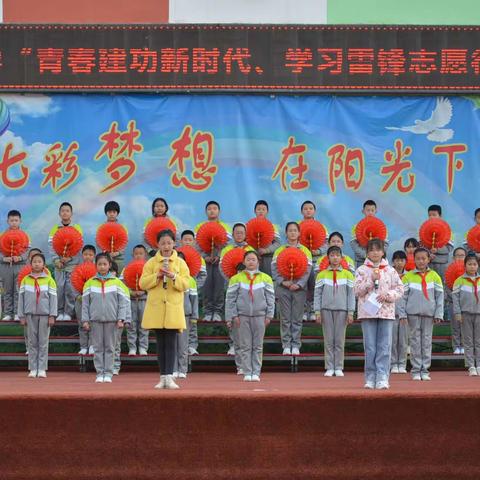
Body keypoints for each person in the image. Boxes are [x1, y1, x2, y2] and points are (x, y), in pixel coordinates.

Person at [139, 229, 190, 389]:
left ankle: (170, 376)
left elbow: (186, 284)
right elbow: (142, 284)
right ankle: (163, 376)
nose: (166, 246)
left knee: (171, 343)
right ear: (157, 245)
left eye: (169, 243)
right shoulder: (151, 263)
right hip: (157, 309)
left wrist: (174, 277)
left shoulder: (180, 263)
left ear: (174, 243)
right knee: (160, 344)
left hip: (173, 309)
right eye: (163, 243)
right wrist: (157, 277)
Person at [354, 238, 403, 389]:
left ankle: (382, 376)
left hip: (386, 312)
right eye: (371, 250)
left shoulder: (391, 270)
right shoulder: (361, 270)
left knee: (384, 345)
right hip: (368, 312)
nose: (375, 253)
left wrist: (388, 295)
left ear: (383, 252)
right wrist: (370, 280)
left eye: (378, 250)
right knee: (370, 346)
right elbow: (357, 291)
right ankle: (370, 377)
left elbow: (400, 289)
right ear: (367, 252)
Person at [225, 251, 275, 382]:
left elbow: (270, 298)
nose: (251, 262)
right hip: (242, 316)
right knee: (245, 345)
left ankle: (256, 372)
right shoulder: (236, 278)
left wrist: (269, 315)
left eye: (253, 259)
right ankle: (247, 371)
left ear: (258, 261)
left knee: (258, 345)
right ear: (244, 262)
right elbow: (230, 299)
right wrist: (233, 315)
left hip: (260, 316)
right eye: (248, 259)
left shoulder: (266, 278)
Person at [82, 253, 129, 383]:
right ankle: (99, 373)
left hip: (112, 321)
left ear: (109, 265)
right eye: (99, 264)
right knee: (97, 348)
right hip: (95, 321)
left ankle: (108, 373)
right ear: (95, 265)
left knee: (110, 348)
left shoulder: (117, 283)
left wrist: (121, 319)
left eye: (105, 264)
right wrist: (85, 320)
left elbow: (122, 303)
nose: (102, 267)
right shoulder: (89, 283)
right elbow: (85, 304)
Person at [398, 247, 444, 381]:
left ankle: (425, 369)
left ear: (428, 259)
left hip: (429, 314)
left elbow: (439, 296)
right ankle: (416, 369)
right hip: (412, 314)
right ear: (414, 260)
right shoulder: (408, 277)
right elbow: (402, 297)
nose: (421, 261)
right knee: (415, 341)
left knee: (426, 341)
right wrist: (402, 314)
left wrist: (438, 313)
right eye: (418, 258)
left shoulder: (435, 276)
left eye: (424, 258)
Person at [272, 222, 312, 355]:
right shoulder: (279, 250)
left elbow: (307, 270)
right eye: (290, 230)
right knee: (285, 318)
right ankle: (286, 344)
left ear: (299, 233)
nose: (293, 233)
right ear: (286, 233)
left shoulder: (305, 250)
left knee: (297, 317)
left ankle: (295, 344)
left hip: (299, 289)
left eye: (295, 230)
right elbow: (274, 268)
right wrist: (282, 282)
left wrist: (299, 284)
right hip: (283, 288)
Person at [314, 245, 355, 377]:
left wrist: (350, 312)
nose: (335, 258)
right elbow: (317, 294)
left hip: (342, 310)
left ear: (342, 258)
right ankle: (329, 366)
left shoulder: (348, 274)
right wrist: (317, 311)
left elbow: (351, 294)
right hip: (326, 310)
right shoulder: (321, 275)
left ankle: (339, 366)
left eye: (337, 255)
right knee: (329, 339)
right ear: (328, 258)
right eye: (332, 255)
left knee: (339, 339)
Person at [18, 253, 57, 378]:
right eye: (34, 261)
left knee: (43, 342)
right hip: (30, 315)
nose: (37, 264)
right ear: (30, 264)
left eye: (39, 261)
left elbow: (53, 299)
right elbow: (21, 299)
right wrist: (21, 316)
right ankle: (33, 368)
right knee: (32, 342)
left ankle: (42, 368)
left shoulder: (49, 280)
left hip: (45, 315)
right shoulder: (25, 280)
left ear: (44, 265)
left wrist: (52, 315)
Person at [219, 223, 255, 358]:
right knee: (233, 317)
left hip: (248, 288)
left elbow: (254, 267)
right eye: (237, 232)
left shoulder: (250, 249)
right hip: (231, 286)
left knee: (246, 318)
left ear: (245, 234)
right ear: (233, 234)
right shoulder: (226, 249)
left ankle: (247, 346)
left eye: (242, 232)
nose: (239, 235)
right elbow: (222, 268)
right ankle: (233, 344)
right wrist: (232, 280)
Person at [195, 201, 231, 322]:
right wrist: (205, 256)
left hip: (220, 262)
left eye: (215, 208)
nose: (212, 210)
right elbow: (197, 245)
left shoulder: (225, 227)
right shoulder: (200, 227)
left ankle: (217, 312)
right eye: (209, 208)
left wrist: (219, 255)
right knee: (206, 286)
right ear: (206, 212)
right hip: (206, 262)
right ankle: (208, 311)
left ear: (219, 211)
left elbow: (227, 244)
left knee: (219, 287)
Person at [48, 202, 83, 321]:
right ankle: (59, 312)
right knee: (59, 287)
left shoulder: (76, 228)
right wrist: (56, 260)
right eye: (62, 210)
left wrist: (70, 258)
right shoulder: (54, 229)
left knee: (69, 289)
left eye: (67, 211)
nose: (65, 213)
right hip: (59, 265)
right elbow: (51, 246)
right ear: (59, 213)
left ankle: (68, 313)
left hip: (72, 265)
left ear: (71, 213)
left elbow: (79, 247)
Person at [452, 253, 480, 376]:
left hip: (479, 314)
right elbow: (456, 298)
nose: (472, 267)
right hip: (465, 314)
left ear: (478, 266)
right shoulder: (459, 281)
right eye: (469, 264)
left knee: (478, 341)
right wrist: (458, 313)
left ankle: (478, 364)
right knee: (468, 341)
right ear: (465, 266)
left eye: (474, 264)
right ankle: (471, 366)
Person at [180, 230, 207, 355]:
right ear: (180, 241)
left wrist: (196, 285)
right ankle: (180, 346)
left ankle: (192, 345)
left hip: (192, 290)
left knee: (192, 320)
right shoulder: (176, 256)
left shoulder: (198, 257)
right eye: (185, 240)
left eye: (190, 240)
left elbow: (203, 274)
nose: (187, 242)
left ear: (194, 242)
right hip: (178, 290)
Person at [300, 200, 328, 321]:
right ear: (302, 211)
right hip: (302, 261)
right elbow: (293, 241)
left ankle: (313, 310)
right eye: (305, 208)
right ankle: (304, 311)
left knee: (315, 285)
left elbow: (327, 243)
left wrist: (319, 251)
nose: (308, 210)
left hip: (316, 260)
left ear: (314, 211)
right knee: (303, 286)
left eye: (310, 208)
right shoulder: (297, 226)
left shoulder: (321, 227)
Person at [0, 210, 29, 321]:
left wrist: (20, 257)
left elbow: (28, 251)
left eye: (16, 220)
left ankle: (18, 313)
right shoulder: (2, 236)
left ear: (20, 221)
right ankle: (8, 313)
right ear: (7, 221)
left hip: (20, 266)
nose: (14, 223)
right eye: (11, 220)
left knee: (18, 290)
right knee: (7, 290)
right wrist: (4, 258)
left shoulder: (25, 236)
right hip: (5, 266)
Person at [173, 251, 199, 379]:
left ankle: (182, 369)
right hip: (171, 314)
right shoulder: (168, 277)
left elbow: (194, 300)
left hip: (185, 314)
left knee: (183, 343)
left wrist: (194, 316)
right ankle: (173, 369)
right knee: (172, 343)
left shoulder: (190, 280)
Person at [123, 244, 150, 357]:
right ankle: (132, 347)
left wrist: (144, 292)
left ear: (145, 255)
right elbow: (121, 285)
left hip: (144, 301)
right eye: (136, 254)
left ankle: (143, 347)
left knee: (144, 325)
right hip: (131, 301)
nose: (138, 256)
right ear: (132, 255)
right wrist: (131, 292)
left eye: (141, 253)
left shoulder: (149, 269)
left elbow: (153, 284)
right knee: (131, 325)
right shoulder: (126, 269)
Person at [350, 200, 389, 268]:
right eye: (368, 210)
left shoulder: (381, 226)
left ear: (375, 211)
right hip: (361, 261)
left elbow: (385, 244)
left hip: (378, 261)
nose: (370, 212)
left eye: (372, 210)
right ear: (363, 211)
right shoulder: (356, 227)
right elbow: (354, 244)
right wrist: (366, 255)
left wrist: (377, 255)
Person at [74, 244, 96, 355]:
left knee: (93, 323)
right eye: (86, 254)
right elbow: (72, 283)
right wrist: (78, 296)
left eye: (90, 255)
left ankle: (92, 345)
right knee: (82, 323)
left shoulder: (98, 269)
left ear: (94, 256)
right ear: (82, 255)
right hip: (80, 300)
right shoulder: (77, 269)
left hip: (93, 301)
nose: (88, 257)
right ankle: (83, 346)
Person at [390, 250, 408, 374]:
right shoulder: (388, 275)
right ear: (393, 262)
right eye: (396, 260)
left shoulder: (409, 276)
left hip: (405, 315)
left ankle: (402, 364)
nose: (399, 262)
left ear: (405, 262)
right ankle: (393, 364)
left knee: (403, 341)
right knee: (392, 341)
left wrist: (406, 312)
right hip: (390, 313)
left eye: (401, 260)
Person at [425, 205, 453, 281]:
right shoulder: (425, 229)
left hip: (442, 264)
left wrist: (437, 250)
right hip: (428, 262)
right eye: (429, 215)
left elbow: (449, 247)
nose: (431, 217)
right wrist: (428, 254)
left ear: (440, 216)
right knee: (429, 282)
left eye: (434, 215)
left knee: (441, 282)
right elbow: (421, 246)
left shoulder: (446, 229)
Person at [98, 200, 128, 272]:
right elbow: (98, 242)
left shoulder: (122, 227)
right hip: (105, 259)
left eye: (114, 212)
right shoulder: (101, 227)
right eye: (109, 212)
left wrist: (117, 253)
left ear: (117, 213)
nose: (111, 214)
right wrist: (107, 253)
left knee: (118, 280)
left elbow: (125, 243)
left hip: (119, 259)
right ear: (106, 213)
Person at [448, 247, 467, 355]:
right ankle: (456, 346)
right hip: (453, 303)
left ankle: (464, 346)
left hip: (466, 303)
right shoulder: (449, 270)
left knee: (465, 326)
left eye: (462, 255)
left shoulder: (470, 270)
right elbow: (446, 288)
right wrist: (455, 299)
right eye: (457, 256)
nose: (459, 258)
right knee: (455, 325)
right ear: (453, 257)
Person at [253, 200, 281, 277]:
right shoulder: (249, 226)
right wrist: (254, 252)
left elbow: (278, 244)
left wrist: (266, 250)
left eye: (263, 209)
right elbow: (245, 243)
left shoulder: (272, 226)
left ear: (267, 211)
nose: (261, 211)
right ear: (254, 211)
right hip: (252, 260)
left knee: (268, 281)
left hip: (268, 259)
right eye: (258, 209)